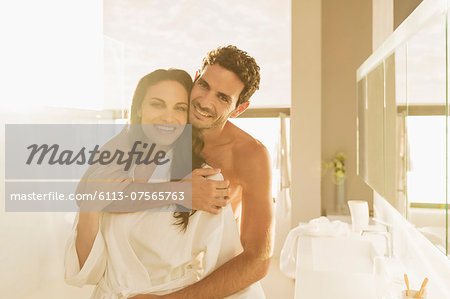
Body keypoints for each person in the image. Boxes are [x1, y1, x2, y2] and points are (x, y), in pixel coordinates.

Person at [64, 68, 265, 298]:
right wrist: (90, 207)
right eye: (157, 104)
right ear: (139, 108)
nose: (168, 117)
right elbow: (86, 273)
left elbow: (234, 277)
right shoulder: (115, 165)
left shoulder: (204, 182)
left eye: (179, 108)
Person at [132, 46, 274, 299]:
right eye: (204, 85)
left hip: (217, 285)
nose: (205, 102)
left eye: (223, 97)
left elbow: (258, 258)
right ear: (196, 77)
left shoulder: (250, 155)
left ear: (239, 108)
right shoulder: (164, 126)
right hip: (155, 275)